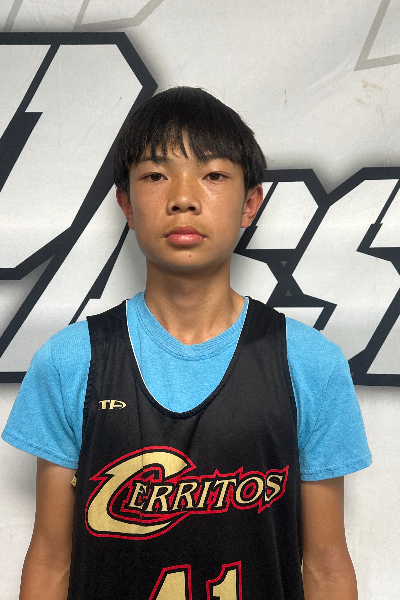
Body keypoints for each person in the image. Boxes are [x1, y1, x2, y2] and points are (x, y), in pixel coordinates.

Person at [2, 87, 371, 600]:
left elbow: (327, 568)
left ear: (250, 203)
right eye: (156, 175)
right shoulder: (71, 361)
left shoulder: (309, 364)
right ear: (126, 204)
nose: (183, 197)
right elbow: (50, 562)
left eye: (213, 174)